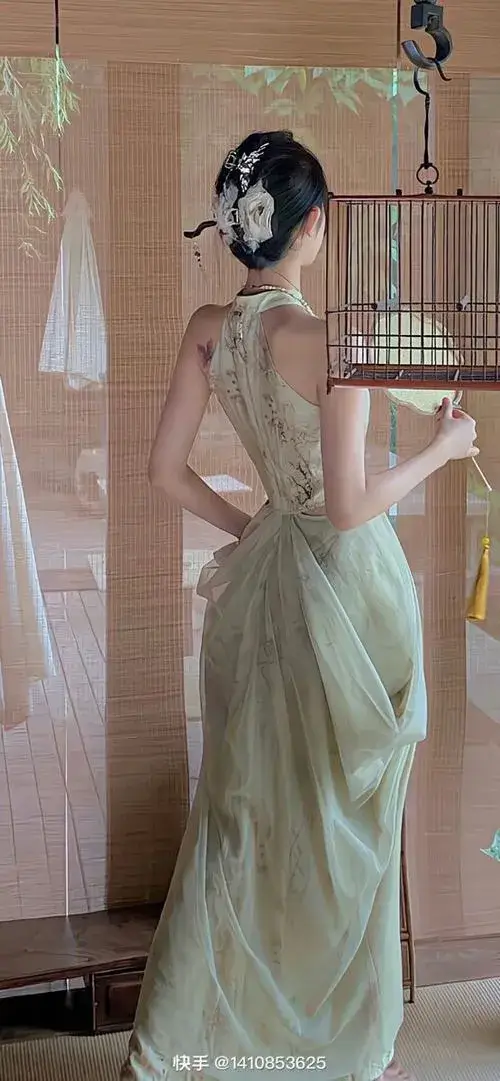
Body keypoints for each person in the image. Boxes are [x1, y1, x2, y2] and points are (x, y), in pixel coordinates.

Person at [121, 131, 478, 1081]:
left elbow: (164, 471)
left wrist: (252, 529)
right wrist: (442, 451)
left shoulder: (210, 327)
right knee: (343, 821)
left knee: (246, 813)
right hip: (350, 590)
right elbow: (351, 507)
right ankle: (342, 1044)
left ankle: (188, 1044)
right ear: (314, 223)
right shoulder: (332, 338)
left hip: (271, 577)